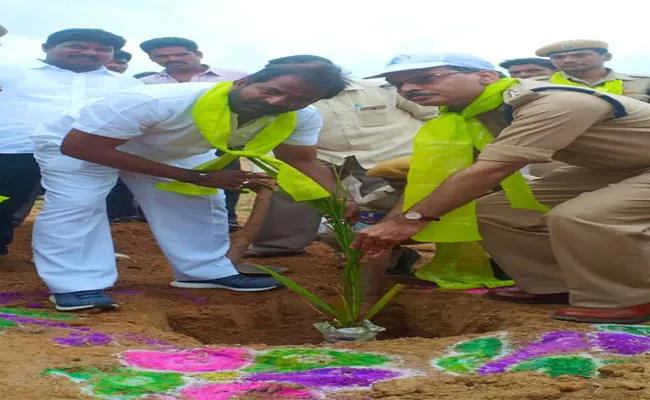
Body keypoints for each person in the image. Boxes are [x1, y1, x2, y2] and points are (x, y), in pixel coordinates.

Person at [353, 52, 650, 324]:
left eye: (425, 78)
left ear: (487, 77)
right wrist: (392, 224)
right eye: (398, 84)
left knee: (581, 215)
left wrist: (411, 221)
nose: (408, 89)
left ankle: (632, 298)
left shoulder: (550, 103)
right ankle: (553, 285)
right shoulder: (470, 115)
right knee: (490, 211)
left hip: (633, 166)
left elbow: (490, 170)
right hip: (613, 167)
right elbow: (443, 176)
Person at [31, 63, 352, 311]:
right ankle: (75, 285)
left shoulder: (301, 117)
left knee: (197, 201)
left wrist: (339, 198)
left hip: (166, 149)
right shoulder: (154, 100)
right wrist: (195, 176)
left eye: (298, 100)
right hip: (80, 142)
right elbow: (81, 148)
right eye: (270, 91)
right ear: (244, 81)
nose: (278, 102)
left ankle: (204, 271)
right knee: (79, 203)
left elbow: (301, 161)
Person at [249, 55, 437, 263]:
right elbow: (273, 138)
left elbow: (429, 115)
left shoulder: (382, 90)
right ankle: (278, 246)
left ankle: (383, 249)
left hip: (389, 154)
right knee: (294, 187)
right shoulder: (286, 99)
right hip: (323, 155)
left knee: (386, 203)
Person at [0, 28, 142, 256]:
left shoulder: (127, 85)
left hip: (87, 155)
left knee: (82, 206)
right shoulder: (10, 72)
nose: (89, 52)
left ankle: (75, 253)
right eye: (77, 46)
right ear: (47, 48)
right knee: (4, 201)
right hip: (14, 150)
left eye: (103, 50)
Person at [139, 37, 248, 231]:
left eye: (180, 54)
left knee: (226, 178)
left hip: (221, 140)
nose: (172, 59)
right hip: (163, 142)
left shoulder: (237, 78)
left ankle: (228, 219)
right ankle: (153, 223)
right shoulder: (143, 83)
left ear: (198, 54)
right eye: (163, 56)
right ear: (152, 59)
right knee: (158, 181)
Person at [534, 40, 650, 102]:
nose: (569, 60)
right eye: (559, 57)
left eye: (580, 55)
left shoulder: (643, 83)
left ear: (607, 57)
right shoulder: (535, 84)